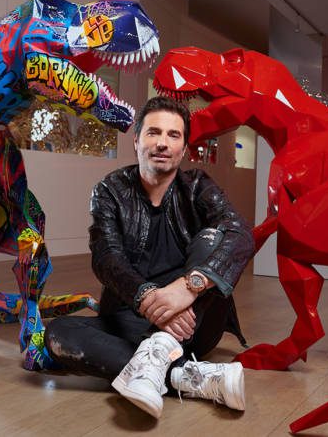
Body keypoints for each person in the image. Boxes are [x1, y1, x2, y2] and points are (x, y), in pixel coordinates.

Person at [45, 96, 255, 418]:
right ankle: (185, 375)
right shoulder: (110, 191)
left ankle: (157, 359)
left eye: (173, 135)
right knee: (59, 334)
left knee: (216, 236)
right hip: (130, 320)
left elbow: (241, 233)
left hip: (194, 324)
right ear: (137, 141)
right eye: (153, 132)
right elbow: (106, 257)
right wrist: (149, 300)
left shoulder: (197, 186)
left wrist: (187, 289)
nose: (162, 143)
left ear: (183, 149)